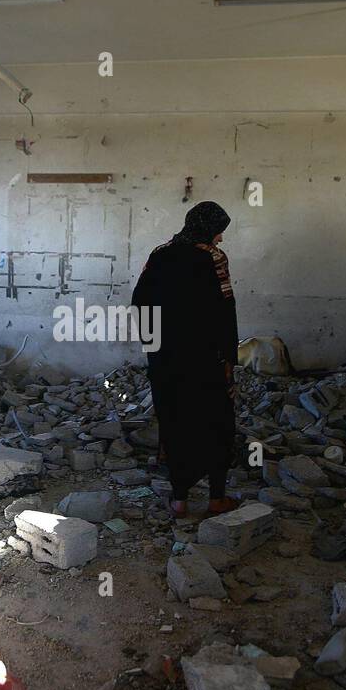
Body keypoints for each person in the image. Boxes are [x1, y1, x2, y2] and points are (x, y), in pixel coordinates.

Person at [130, 201, 239, 519]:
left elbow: (140, 300)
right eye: (219, 231)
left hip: (167, 358)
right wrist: (228, 357)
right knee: (217, 421)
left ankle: (179, 500)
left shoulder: (160, 253)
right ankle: (216, 498)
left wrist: (153, 346)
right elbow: (225, 310)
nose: (220, 238)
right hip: (205, 357)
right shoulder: (213, 257)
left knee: (175, 419)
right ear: (207, 228)